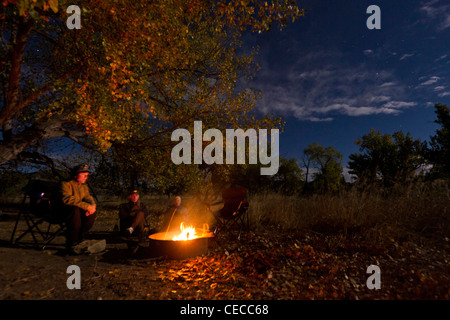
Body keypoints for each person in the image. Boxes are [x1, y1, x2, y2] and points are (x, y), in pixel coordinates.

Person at [60, 164, 97, 251]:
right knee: (75, 210)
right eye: (84, 175)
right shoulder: (65, 184)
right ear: (76, 174)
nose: (86, 177)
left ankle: (81, 237)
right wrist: (86, 206)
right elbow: (67, 199)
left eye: (87, 175)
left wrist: (92, 207)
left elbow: (88, 198)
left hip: (79, 211)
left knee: (92, 213)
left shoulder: (84, 187)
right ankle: (73, 241)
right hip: (64, 211)